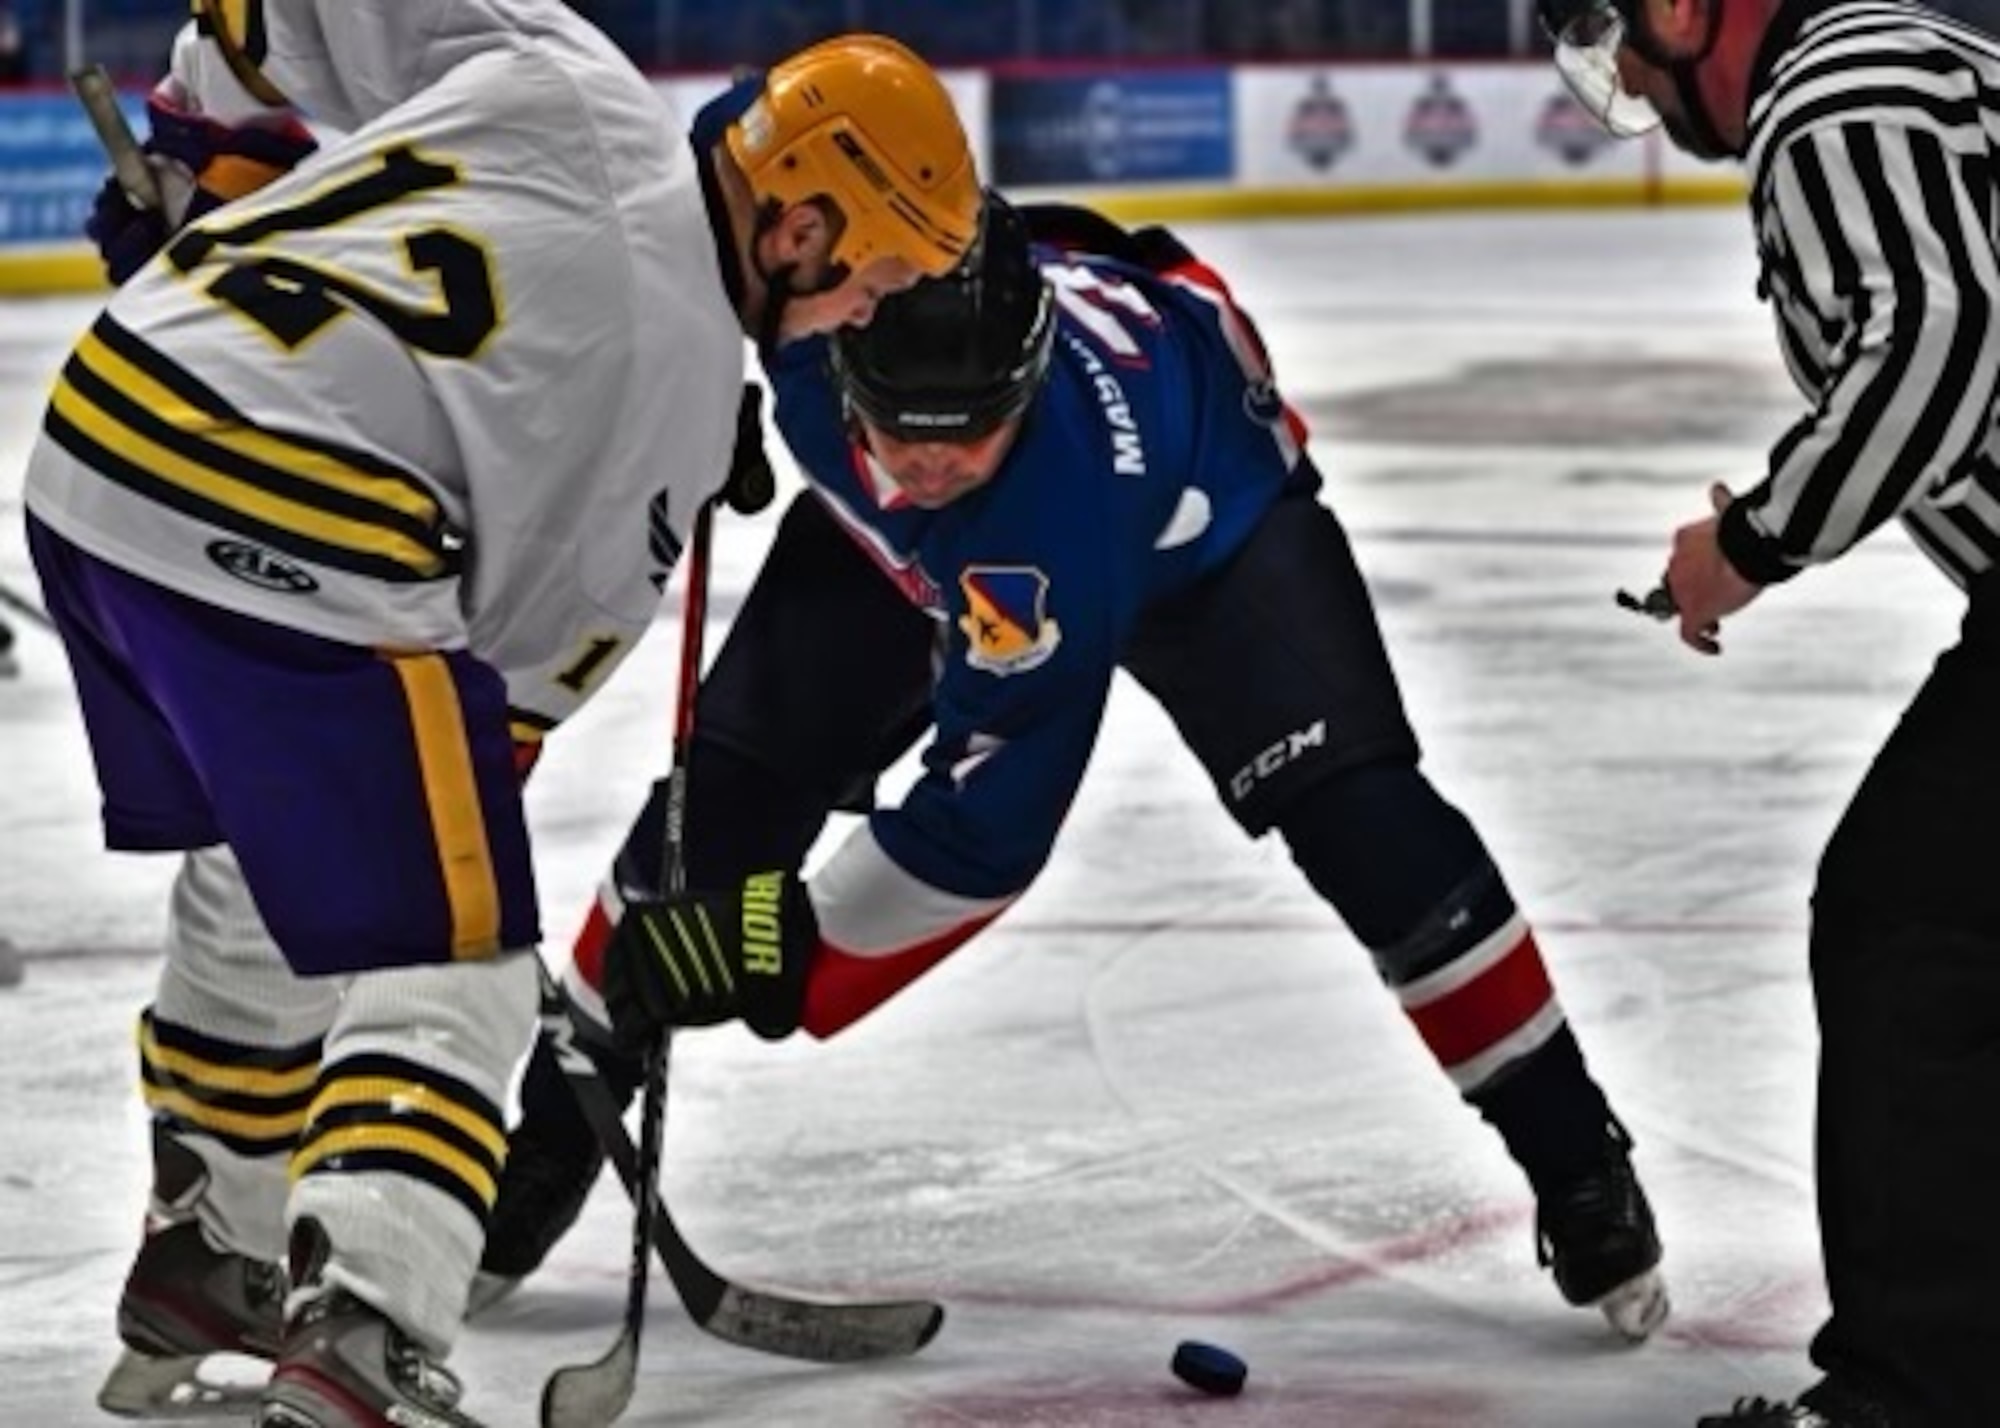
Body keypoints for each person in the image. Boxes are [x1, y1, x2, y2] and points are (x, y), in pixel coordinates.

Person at [478, 192, 1673, 1345]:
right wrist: (675, 403)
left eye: (971, 434)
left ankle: (1574, 1153)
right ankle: (551, 1132)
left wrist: (767, 950)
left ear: (1028, 386)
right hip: (909, 544)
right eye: (898, 430)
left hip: (1204, 526)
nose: (932, 468)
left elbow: (980, 832)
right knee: (722, 801)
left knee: (1367, 823)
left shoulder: (1045, 524)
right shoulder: (806, 323)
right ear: (836, 347)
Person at [23, 3, 978, 1423]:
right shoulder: (665, 411)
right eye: (874, 277)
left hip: (98, 456)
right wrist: (461, 852)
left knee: (263, 862)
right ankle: (369, 1334)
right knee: (454, 951)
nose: (859, 319)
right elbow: (505, 699)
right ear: (803, 227)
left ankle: (209, 1248)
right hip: (287, 518)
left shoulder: (572, 78)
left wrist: (208, 155)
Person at [1541, 1, 2000, 1423]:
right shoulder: (1894, 53)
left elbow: (1938, 337)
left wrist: (1749, 549)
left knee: (1910, 921)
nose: (1621, 81)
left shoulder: (1828, 92)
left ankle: (1916, 1392)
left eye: (1611, 39)